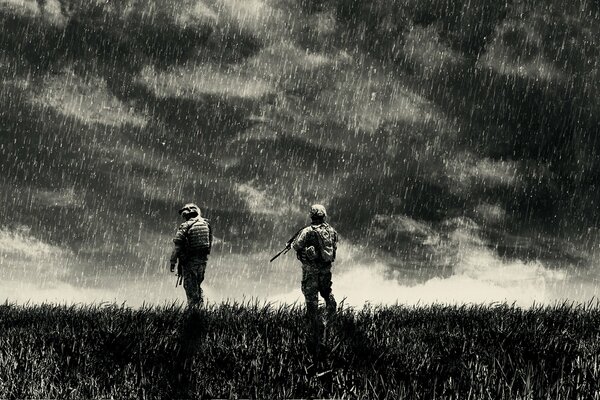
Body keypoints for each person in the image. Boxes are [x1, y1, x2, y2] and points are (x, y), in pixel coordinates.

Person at [292, 204, 338, 326]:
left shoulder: (307, 231)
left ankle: (313, 324)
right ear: (324, 215)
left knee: (311, 297)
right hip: (326, 269)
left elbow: (296, 246)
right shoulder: (331, 231)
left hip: (310, 269)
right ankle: (331, 318)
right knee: (327, 292)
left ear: (311, 215)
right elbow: (334, 248)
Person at [170, 203, 212, 307]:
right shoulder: (206, 224)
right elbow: (209, 243)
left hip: (189, 262)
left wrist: (173, 261)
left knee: (189, 287)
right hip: (202, 262)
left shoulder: (186, 226)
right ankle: (200, 307)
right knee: (197, 285)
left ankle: (194, 312)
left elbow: (178, 246)